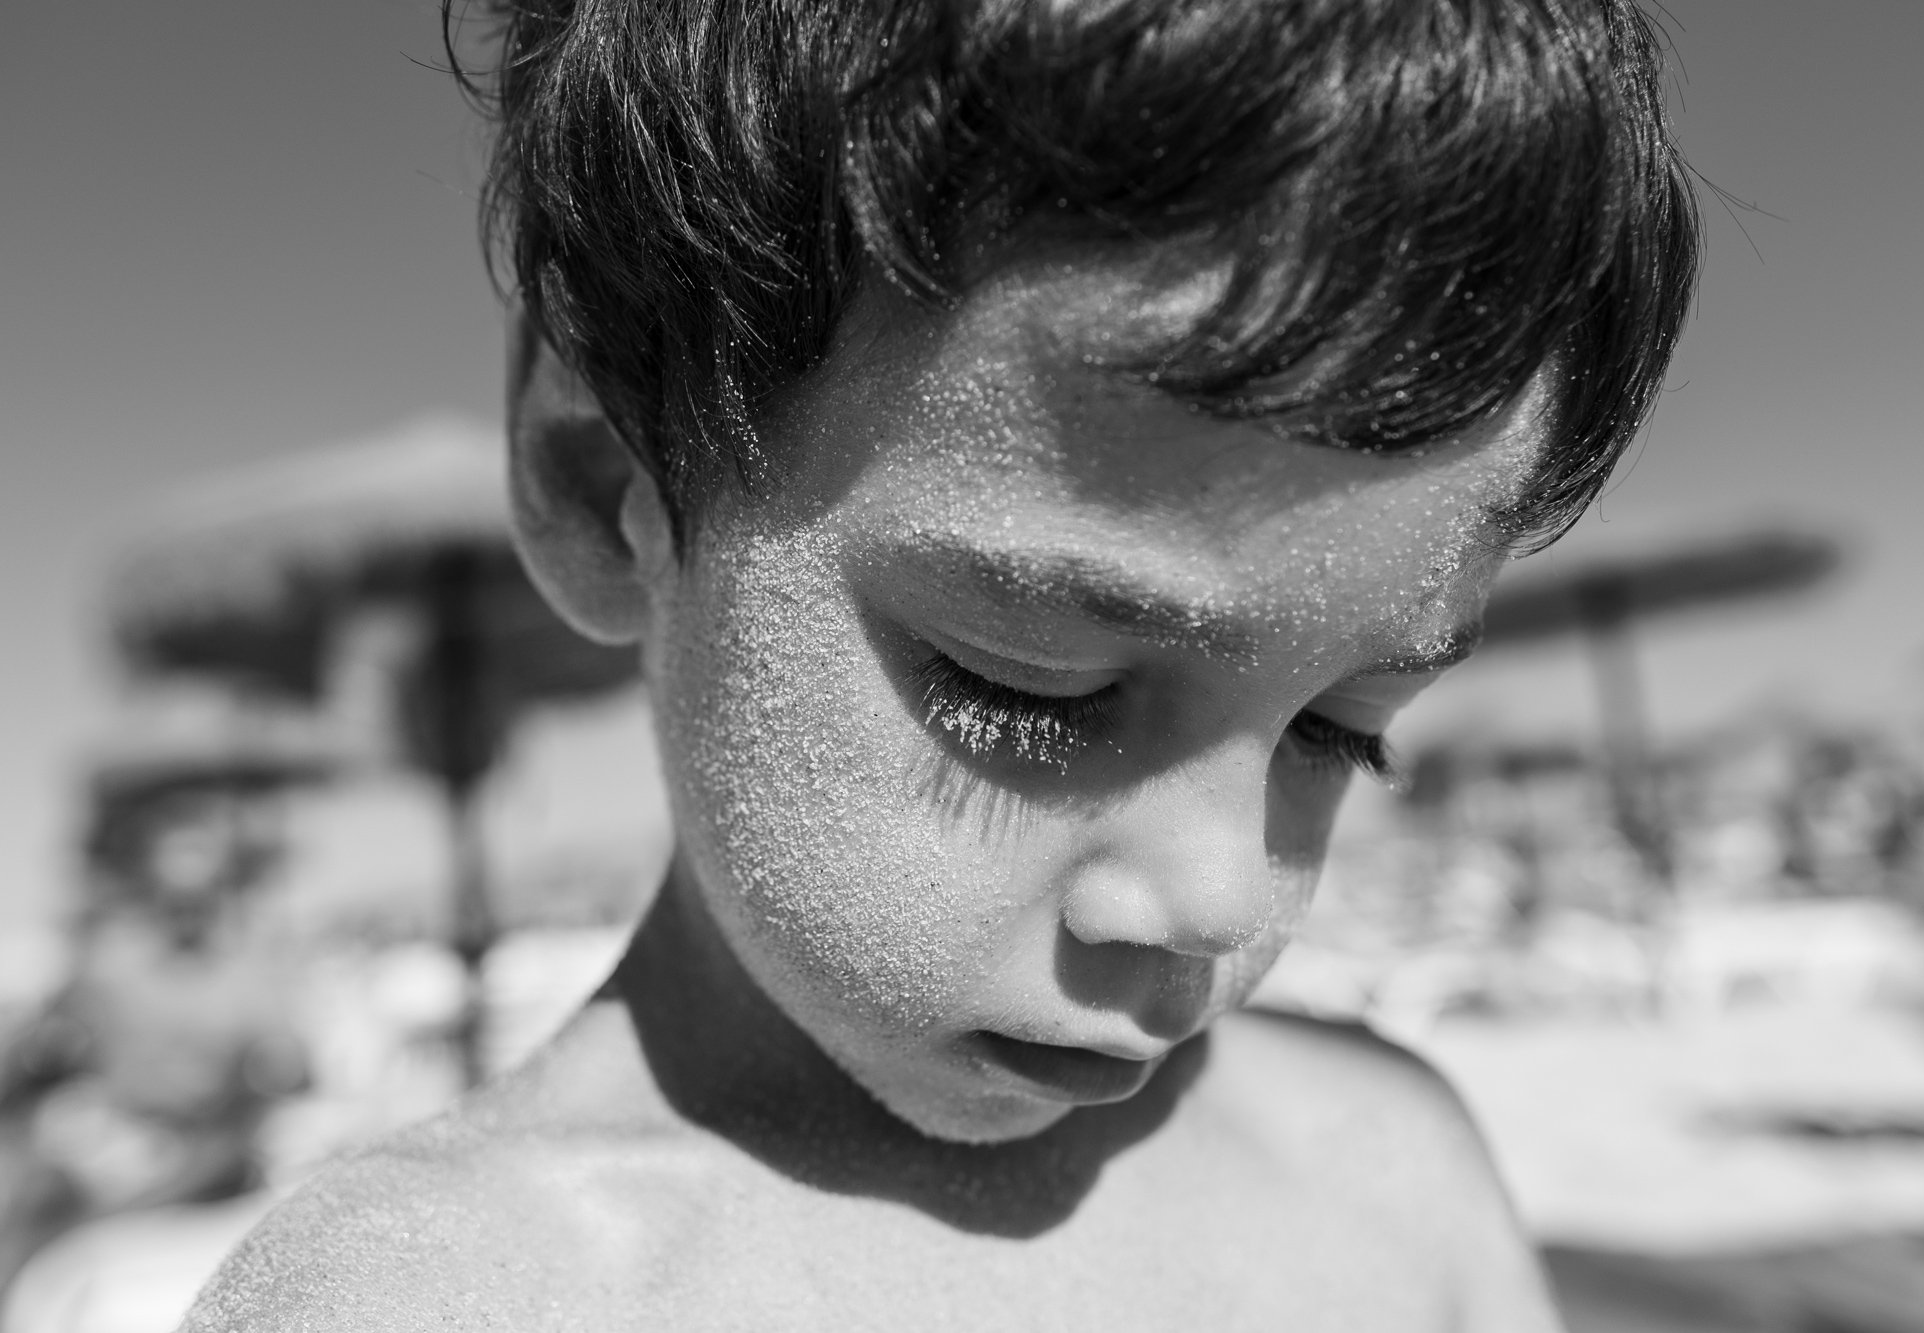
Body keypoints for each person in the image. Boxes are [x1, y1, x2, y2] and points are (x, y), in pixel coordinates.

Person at [185, 0, 1697, 1326]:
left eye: (1336, 731)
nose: (1219, 898)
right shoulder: (442, 1297)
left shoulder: (1387, 1164)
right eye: (1032, 685)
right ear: (604, 475)